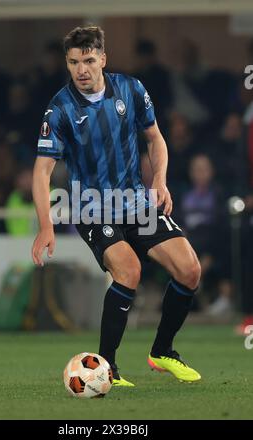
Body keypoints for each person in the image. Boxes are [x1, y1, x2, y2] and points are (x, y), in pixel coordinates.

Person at [31, 25, 201, 386]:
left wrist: (159, 180)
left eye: (89, 60)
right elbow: (42, 172)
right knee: (129, 271)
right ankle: (106, 367)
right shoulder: (59, 108)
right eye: (74, 61)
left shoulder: (132, 89)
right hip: (93, 208)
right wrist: (46, 225)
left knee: (189, 271)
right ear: (67, 62)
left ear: (102, 59)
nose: (82, 69)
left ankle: (162, 352)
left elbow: (155, 139)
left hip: (136, 202)